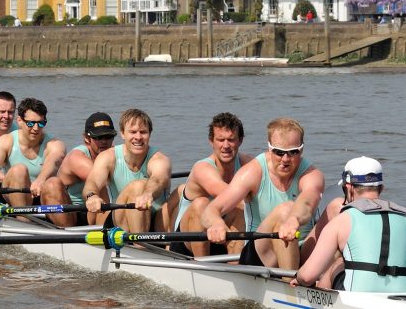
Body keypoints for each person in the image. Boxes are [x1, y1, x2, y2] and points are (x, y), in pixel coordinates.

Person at [292, 157, 406, 293]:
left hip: (355, 298)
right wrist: (401, 274)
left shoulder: (342, 220)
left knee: (337, 264)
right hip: (402, 296)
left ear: (348, 188)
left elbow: (307, 276)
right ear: (381, 188)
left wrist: (298, 279)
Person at [201, 117, 324, 270]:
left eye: (293, 152)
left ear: (302, 149)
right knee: (285, 210)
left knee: (336, 207)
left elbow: (308, 200)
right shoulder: (252, 172)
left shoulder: (312, 174)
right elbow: (210, 210)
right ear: (270, 148)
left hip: (303, 249)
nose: (285, 159)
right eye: (279, 152)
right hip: (261, 255)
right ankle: (290, 283)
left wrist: (294, 219)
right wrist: (216, 223)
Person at [83, 108, 177, 233]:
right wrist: (92, 196)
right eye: (132, 132)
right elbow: (93, 182)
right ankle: (139, 243)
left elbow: (158, 180)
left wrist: (148, 194)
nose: (138, 137)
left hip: (157, 220)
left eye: (143, 132)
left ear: (149, 134)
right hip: (121, 221)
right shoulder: (108, 157)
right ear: (122, 133)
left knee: (183, 190)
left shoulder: (160, 159)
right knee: (137, 186)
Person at [174, 112, 253, 256]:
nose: (226, 145)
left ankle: (236, 264)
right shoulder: (203, 168)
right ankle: (202, 265)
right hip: (188, 241)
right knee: (201, 204)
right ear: (211, 141)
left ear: (240, 140)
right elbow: (230, 197)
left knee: (240, 212)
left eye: (231, 140)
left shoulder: (248, 164)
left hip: (224, 233)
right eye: (220, 140)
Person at [0, 97, 65, 206]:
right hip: (12, 194)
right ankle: (22, 215)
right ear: (19, 121)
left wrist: (41, 179)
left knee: (54, 183)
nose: (36, 128)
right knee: (19, 170)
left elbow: (54, 161)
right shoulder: (7, 141)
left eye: (41, 123)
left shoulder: (54, 143)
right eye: (31, 123)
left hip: (42, 195)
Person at [42, 111, 118, 227]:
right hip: (71, 213)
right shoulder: (77, 158)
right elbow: (101, 184)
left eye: (108, 136)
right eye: (98, 137)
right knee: (52, 183)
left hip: (94, 212)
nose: (104, 141)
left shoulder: (115, 153)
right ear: (87, 138)